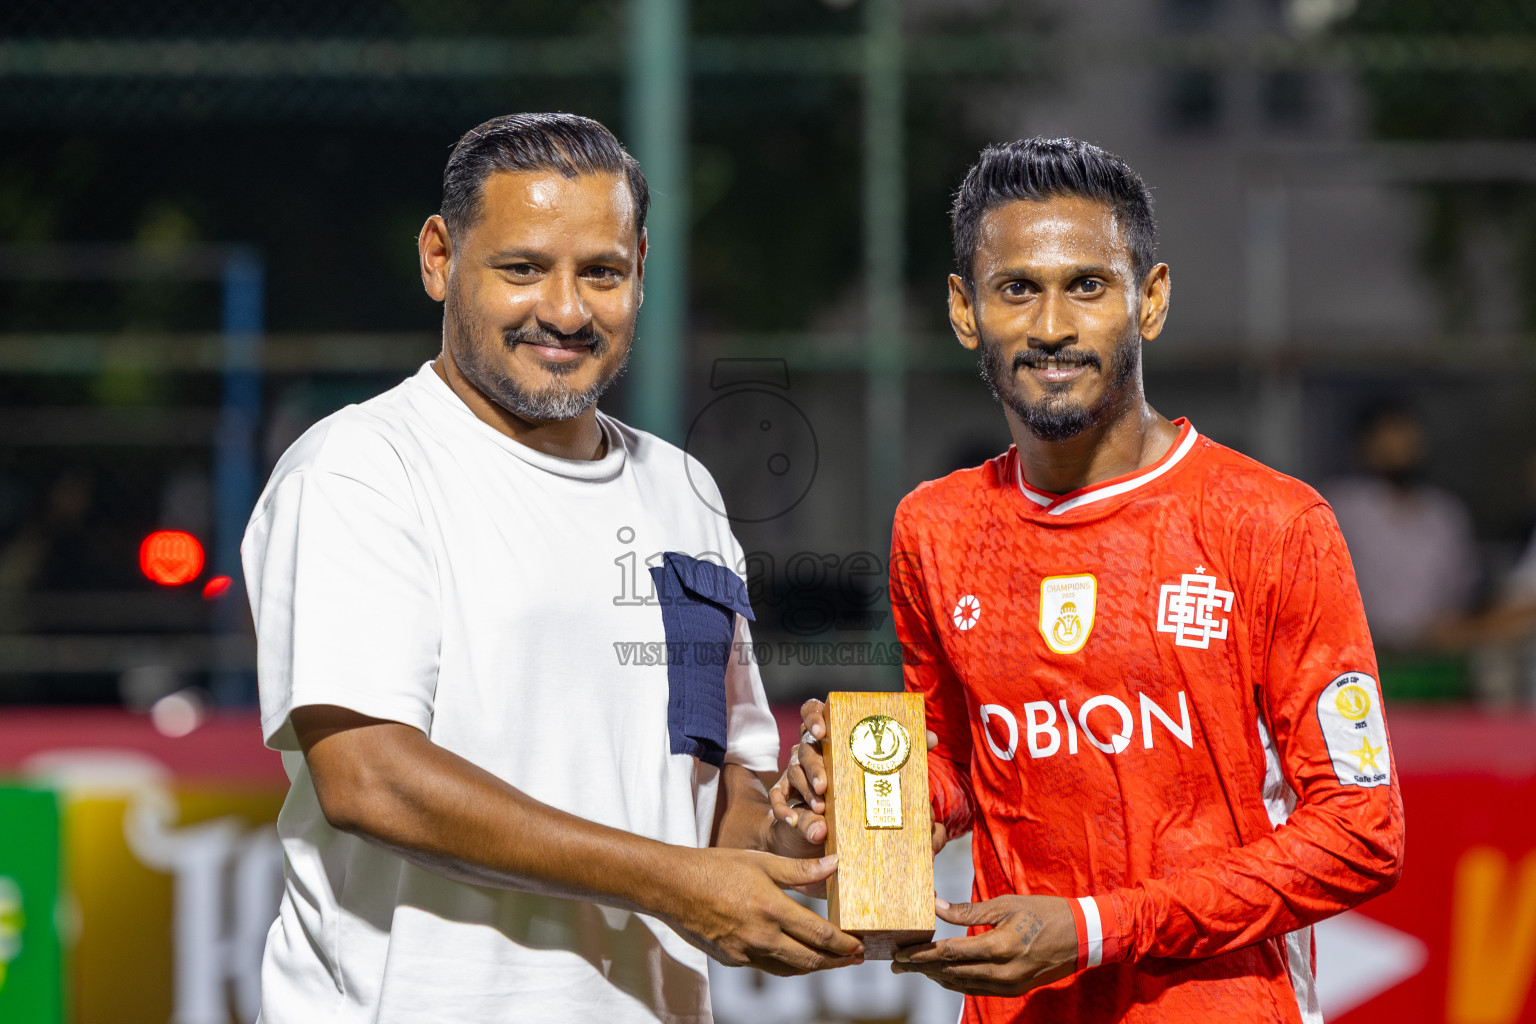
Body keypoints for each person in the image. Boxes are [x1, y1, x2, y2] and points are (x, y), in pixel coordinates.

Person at [241, 113, 861, 1024]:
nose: (566, 311)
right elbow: (370, 779)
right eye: (523, 268)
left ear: (642, 270)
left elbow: (717, 779)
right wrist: (674, 883)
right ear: (439, 258)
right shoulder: (362, 469)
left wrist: (793, 829)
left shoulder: (682, 489)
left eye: (601, 272)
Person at [772, 138, 1404, 1023]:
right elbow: (961, 765)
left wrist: (1100, 927)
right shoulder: (935, 525)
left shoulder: (1271, 523)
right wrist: (868, 790)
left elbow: (1362, 832)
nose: (1052, 327)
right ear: (965, 310)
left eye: (1089, 286)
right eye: (1017, 288)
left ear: (1151, 300)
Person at [1324, 403, 1478, 650]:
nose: (1397, 449)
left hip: (1434, 651)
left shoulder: (1444, 513)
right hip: (1357, 647)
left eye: (1405, 439)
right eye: (1386, 439)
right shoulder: (1340, 506)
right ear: (1364, 445)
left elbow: (1462, 587)